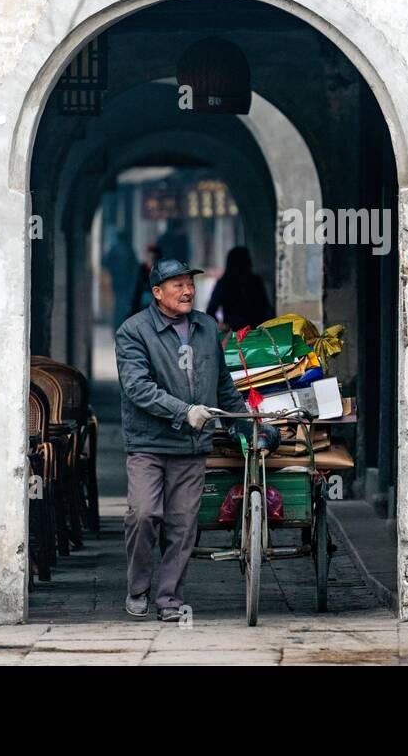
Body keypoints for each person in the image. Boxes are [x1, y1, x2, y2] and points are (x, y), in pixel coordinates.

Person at [114, 257, 278, 621]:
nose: (188, 291)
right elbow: (137, 388)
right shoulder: (133, 331)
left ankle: (169, 599)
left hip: (192, 447)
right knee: (143, 515)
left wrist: (242, 420)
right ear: (157, 293)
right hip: (149, 444)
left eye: (190, 284)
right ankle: (137, 587)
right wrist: (183, 411)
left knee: (183, 525)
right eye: (178, 285)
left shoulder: (205, 327)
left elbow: (221, 383)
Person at [206, 245, 272, 330]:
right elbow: (210, 312)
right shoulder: (254, 281)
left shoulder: (254, 281)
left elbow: (210, 311)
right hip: (246, 331)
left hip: (249, 330)